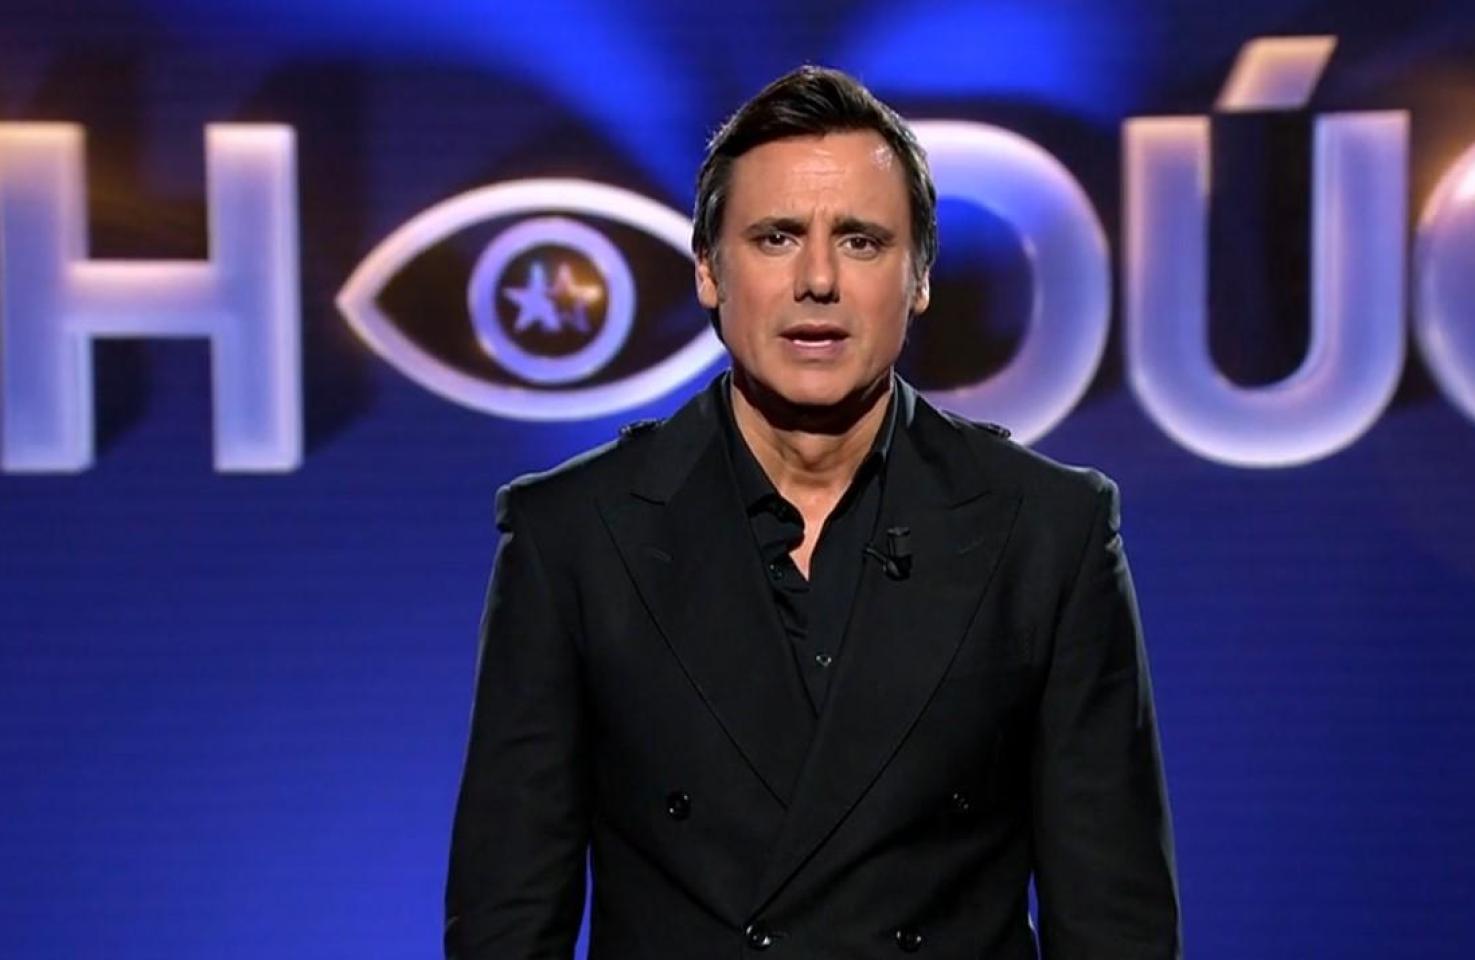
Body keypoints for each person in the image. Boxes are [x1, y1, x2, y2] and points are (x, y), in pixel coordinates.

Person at [445, 65, 1181, 959]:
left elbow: (1115, 927)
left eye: (862, 241)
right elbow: (508, 925)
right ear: (709, 271)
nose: (819, 279)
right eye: (777, 237)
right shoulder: (571, 537)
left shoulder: (1050, 534)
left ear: (919, 278)